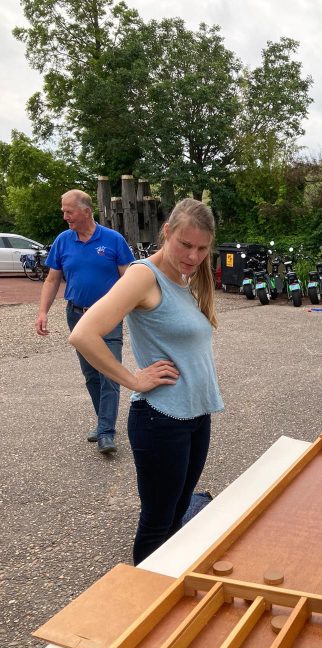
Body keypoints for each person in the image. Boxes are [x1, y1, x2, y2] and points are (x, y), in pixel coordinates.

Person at [69, 198, 223, 564]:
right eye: (185, 245)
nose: (193, 255)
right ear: (166, 232)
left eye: (202, 248)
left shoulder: (185, 278)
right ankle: (146, 604)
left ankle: (170, 593)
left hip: (196, 415)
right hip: (161, 419)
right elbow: (84, 334)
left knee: (179, 513)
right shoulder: (143, 276)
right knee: (157, 523)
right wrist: (133, 380)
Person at [36, 189, 134, 454]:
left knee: (110, 371)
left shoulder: (113, 240)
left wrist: (134, 307)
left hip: (108, 315)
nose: (65, 216)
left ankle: (105, 432)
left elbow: (130, 278)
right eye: (63, 211)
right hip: (77, 316)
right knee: (91, 373)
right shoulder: (63, 241)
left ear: (87, 211)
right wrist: (42, 311)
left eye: (69, 211)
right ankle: (103, 422)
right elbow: (52, 279)